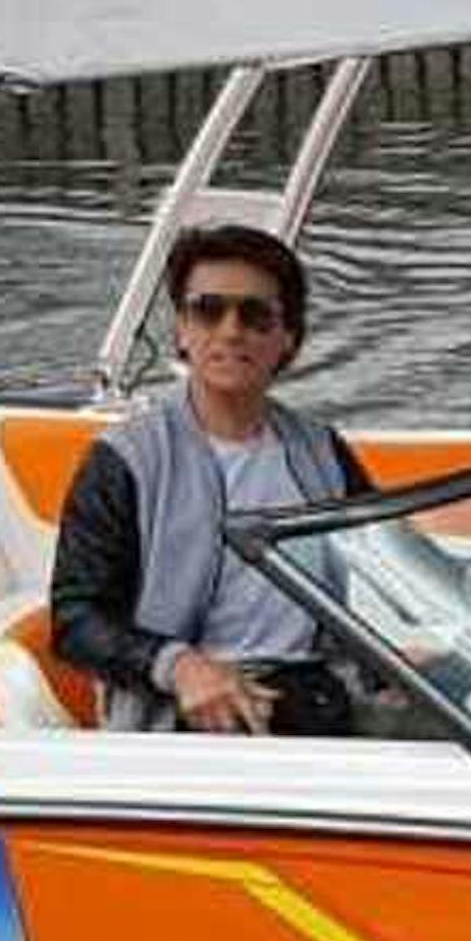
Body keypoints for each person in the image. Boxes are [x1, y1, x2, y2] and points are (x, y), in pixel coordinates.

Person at [48, 222, 374, 735]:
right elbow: (76, 621)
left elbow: (379, 562)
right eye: (208, 310)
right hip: (187, 717)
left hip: (321, 692)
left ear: (288, 337)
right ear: (181, 329)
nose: (230, 330)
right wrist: (180, 666)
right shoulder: (125, 459)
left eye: (255, 314)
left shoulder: (323, 450)